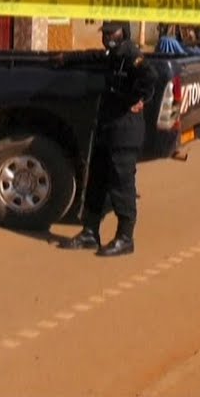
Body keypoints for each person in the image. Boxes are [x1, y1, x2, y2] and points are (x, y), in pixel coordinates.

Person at [60, 20, 158, 257]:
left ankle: (125, 238)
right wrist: (64, 59)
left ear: (123, 32)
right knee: (96, 182)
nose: (107, 37)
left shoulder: (131, 55)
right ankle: (90, 233)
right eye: (104, 33)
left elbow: (150, 77)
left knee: (122, 186)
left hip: (125, 132)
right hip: (107, 129)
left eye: (111, 32)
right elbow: (93, 57)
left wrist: (138, 99)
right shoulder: (113, 55)